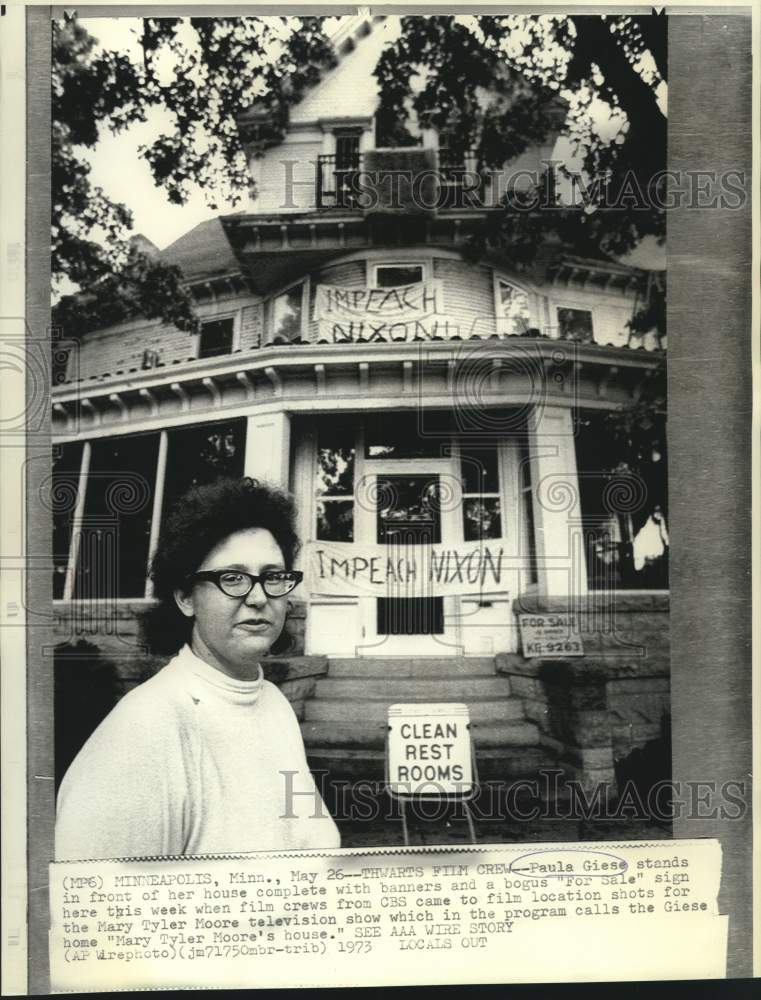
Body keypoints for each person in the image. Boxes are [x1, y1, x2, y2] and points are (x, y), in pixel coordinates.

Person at [55, 477, 341, 860]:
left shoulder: (273, 704)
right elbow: (99, 908)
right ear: (186, 596)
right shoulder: (145, 729)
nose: (258, 597)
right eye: (232, 578)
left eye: (273, 576)